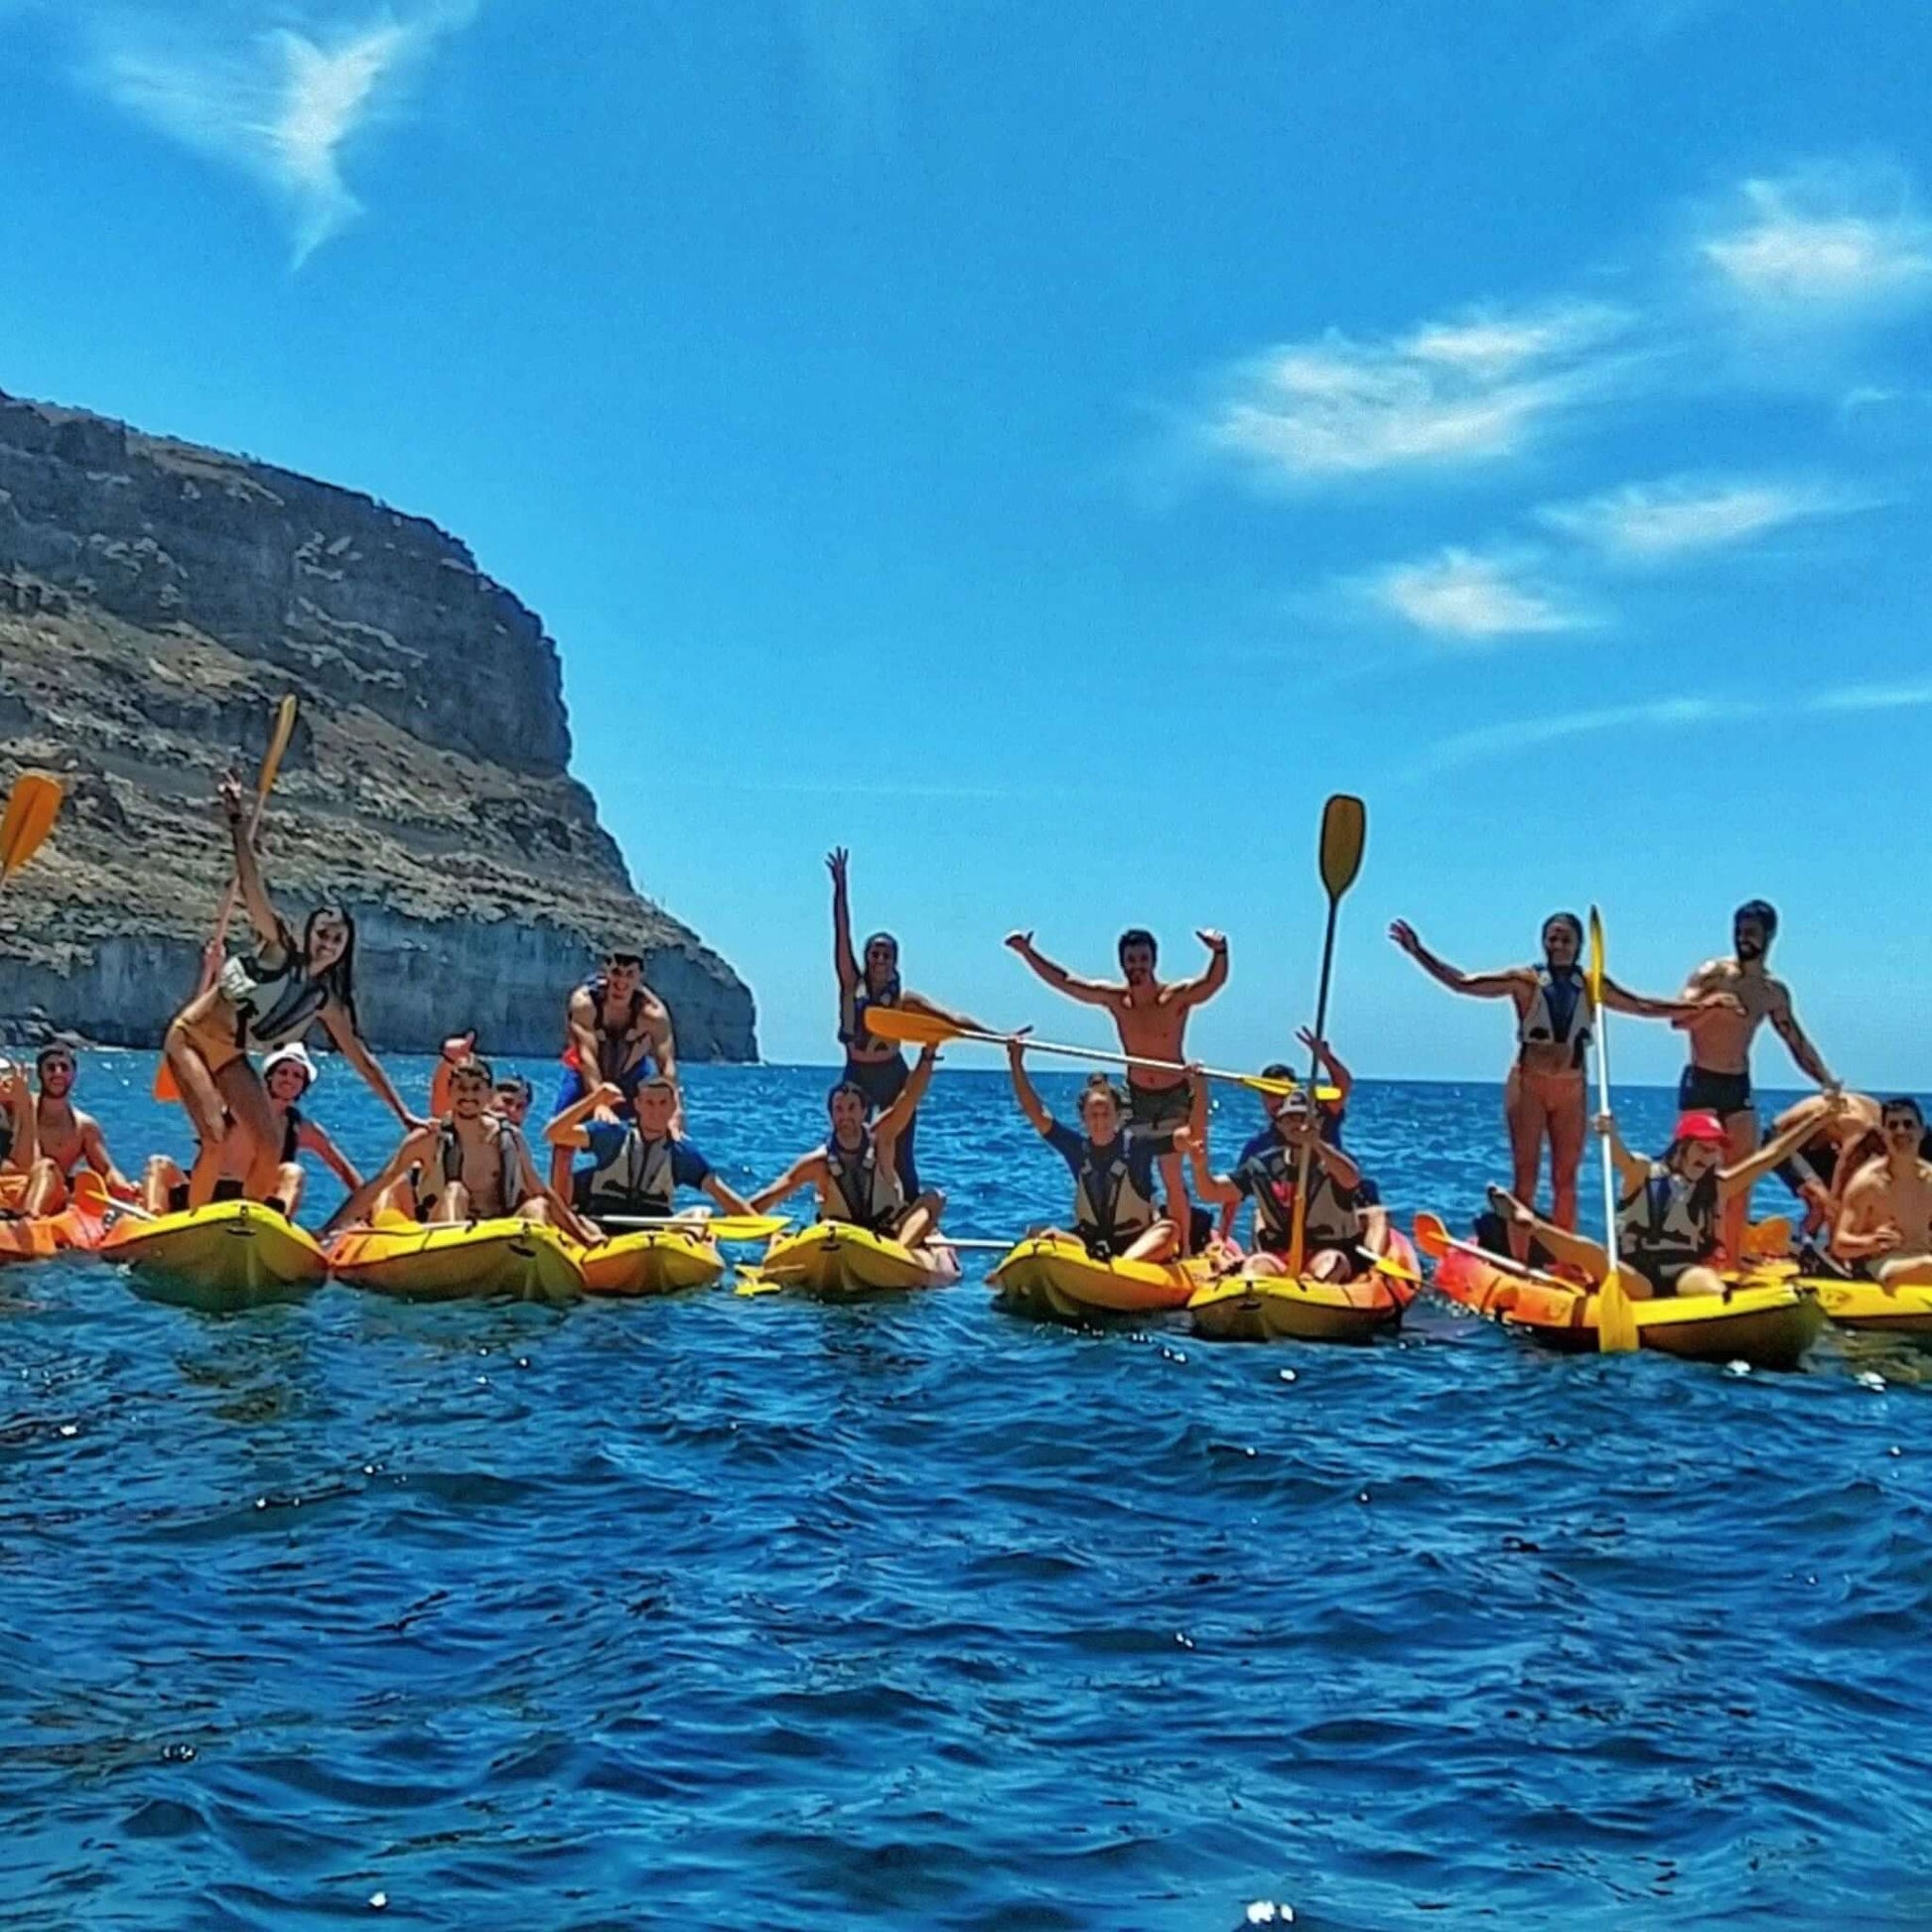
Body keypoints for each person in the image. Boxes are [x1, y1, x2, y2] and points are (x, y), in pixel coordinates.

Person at [1391, 912, 1731, 1240]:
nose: (1557, 945)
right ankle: (1521, 1261)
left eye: (1565, 939)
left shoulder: (1592, 985)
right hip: (1529, 1084)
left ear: (1579, 944)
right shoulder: (1524, 981)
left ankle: (1565, 1260)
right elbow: (1463, 984)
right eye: (1551, 938)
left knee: (1565, 1179)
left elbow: (1643, 1006)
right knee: (1526, 1178)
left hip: (1571, 1089)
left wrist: (1703, 1009)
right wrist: (1418, 952)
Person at [164, 775, 423, 1206]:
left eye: (337, 939)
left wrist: (403, 1115)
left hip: (229, 1056)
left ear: (344, 949)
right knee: (212, 1136)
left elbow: (364, 1061)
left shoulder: (326, 1001)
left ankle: (241, 1219)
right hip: (190, 1038)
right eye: (322, 933)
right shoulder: (278, 947)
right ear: (309, 934)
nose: (327, 943)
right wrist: (236, 821)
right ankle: (196, 1219)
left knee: (269, 1144)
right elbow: (252, 888)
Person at [1490, 1099, 1836, 1299]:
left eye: (1714, 1151)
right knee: (1590, 1251)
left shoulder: (1716, 1185)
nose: (1709, 1157)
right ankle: (1528, 1222)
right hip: (1636, 1272)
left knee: (1715, 1290)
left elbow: (1770, 1156)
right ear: (1683, 1146)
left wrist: (1817, 1120)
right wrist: (1609, 1135)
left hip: (1682, 1271)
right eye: (1703, 1148)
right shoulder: (1644, 1172)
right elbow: (1621, 1158)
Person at [1675, 898, 1839, 1262]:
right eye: (1739, 931)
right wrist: (1711, 1004)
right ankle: (1688, 1253)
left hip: (1738, 1086)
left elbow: (1794, 1039)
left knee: (1741, 1178)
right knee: (1695, 1176)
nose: (1743, 938)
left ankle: (1730, 1258)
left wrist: (1825, 1079)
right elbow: (1677, 1019)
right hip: (1702, 1080)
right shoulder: (1712, 974)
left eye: (1751, 932)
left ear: (1769, 936)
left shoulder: (1771, 992)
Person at [827, 847, 982, 1196]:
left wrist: (997, 1036)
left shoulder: (905, 1001)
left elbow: (951, 1019)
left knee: (900, 1152)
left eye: (886, 955)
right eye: (874, 954)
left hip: (893, 1075)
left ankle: (909, 1207)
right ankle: (853, 1203)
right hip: (856, 1074)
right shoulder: (851, 985)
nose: (879, 959)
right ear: (867, 958)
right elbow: (841, 933)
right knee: (850, 1147)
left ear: (895, 961)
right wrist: (840, 888)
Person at [1004, 925, 1229, 1132]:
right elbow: (1066, 982)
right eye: (1131, 959)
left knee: (1170, 1172)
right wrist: (1027, 952)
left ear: (1154, 961)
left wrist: (1220, 951)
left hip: (1173, 1095)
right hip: (1135, 1094)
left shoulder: (1175, 998)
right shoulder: (1116, 1000)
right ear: (1122, 963)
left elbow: (1212, 983)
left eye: (1143, 959)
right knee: (1124, 1162)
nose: (1137, 965)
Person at [1006, 1038, 1192, 1264]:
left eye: (1105, 1114)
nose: (1099, 1121)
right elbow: (1037, 1113)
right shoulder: (1077, 1149)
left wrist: (1194, 1091)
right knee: (1038, 1233)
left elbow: (1177, 1139)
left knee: (1170, 1229)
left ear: (1117, 1116)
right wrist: (1016, 1062)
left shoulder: (1136, 1146)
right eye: (1093, 1115)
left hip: (1134, 1245)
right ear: (1083, 1119)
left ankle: (1123, 1266)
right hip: (1089, 1244)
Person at [326, 1055, 550, 1232]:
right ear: (450, 1092)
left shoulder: (510, 1139)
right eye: (461, 1087)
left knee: (538, 1206)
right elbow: (378, 1184)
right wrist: (329, 1230)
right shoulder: (429, 1138)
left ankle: (533, 1262)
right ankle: (455, 1256)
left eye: (476, 1088)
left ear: (487, 1093)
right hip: (443, 1235)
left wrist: (581, 1235)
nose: (468, 1095)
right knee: (455, 1191)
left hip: (498, 1234)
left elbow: (541, 1192)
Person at [752, 1045, 945, 1247]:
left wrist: (928, 1054)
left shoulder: (882, 1141)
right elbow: (769, 1197)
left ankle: (900, 1252)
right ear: (831, 1115)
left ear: (864, 1113)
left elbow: (909, 1098)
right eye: (839, 1109)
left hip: (888, 1239)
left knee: (934, 1198)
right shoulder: (819, 1162)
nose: (845, 1116)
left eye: (852, 1108)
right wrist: (729, 1221)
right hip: (839, 1242)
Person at [1188, 1081, 1380, 1281]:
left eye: (1303, 1117)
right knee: (1256, 1265)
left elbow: (1352, 1179)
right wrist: (1200, 1166)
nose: (1297, 1123)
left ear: (1319, 1123)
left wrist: (1315, 1143)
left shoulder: (1332, 1163)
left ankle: (1313, 1288)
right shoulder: (1262, 1166)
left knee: (1330, 1262)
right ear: (1279, 1124)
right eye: (1290, 1118)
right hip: (1281, 1255)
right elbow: (1211, 1192)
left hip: (1328, 1250)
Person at [545, 1074, 756, 1229]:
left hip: (652, 1233)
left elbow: (724, 1196)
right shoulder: (612, 1135)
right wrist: (595, 1100)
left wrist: (765, 1232)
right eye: (649, 1103)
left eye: (663, 1103)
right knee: (582, 1223)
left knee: (702, 1213)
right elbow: (554, 1134)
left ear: (673, 1106)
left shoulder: (681, 1153)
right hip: (601, 1226)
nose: (656, 1111)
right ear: (637, 1105)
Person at [550, 951, 678, 1193]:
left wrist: (673, 1112)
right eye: (616, 974)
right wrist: (599, 1102)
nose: (621, 983)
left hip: (631, 1077)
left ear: (640, 977)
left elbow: (666, 1065)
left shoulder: (652, 1014)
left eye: (629, 975)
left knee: (655, 1136)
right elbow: (586, 1055)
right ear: (606, 973)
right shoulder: (585, 1003)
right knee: (562, 1141)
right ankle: (560, 1211)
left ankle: (640, 1197)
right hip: (583, 1073)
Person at [1831, 1097, 1932, 1287]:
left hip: (1925, 1258)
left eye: (1908, 1124)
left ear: (1922, 1131)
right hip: (1884, 1264)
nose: (1901, 1131)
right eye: (1893, 1125)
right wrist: (1871, 1242)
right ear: (1883, 1134)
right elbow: (1840, 1245)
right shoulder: (1867, 1183)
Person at [1765, 1090, 1883, 1239]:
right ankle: (1808, 1247)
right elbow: (1843, 1170)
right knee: (1820, 1201)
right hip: (1781, 1138)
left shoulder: (1880, 1117)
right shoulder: (1859, 1127)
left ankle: (1812, 1239)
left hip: (1818, 1143)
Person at [30, 1044, 136, 1208]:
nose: (58, 1073)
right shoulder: (21, 1109)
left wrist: (123, 1186)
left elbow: (107, 1170)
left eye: (64, 1068)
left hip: (51, 1200)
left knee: (47, 1167)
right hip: (13, 1191)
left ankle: (29, 1217)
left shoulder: (84, 1127)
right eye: (51, 1068)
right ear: (40, 1073)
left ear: (73, 1075)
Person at [0, 1054, 58, 1219]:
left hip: (25, 1192)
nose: (5, 1082)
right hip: (7, 1192)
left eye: (6, 1074)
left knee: (46, 1167)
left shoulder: (30, 1104)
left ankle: (29, 1217)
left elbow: (26, 1162)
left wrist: (24, 1105)